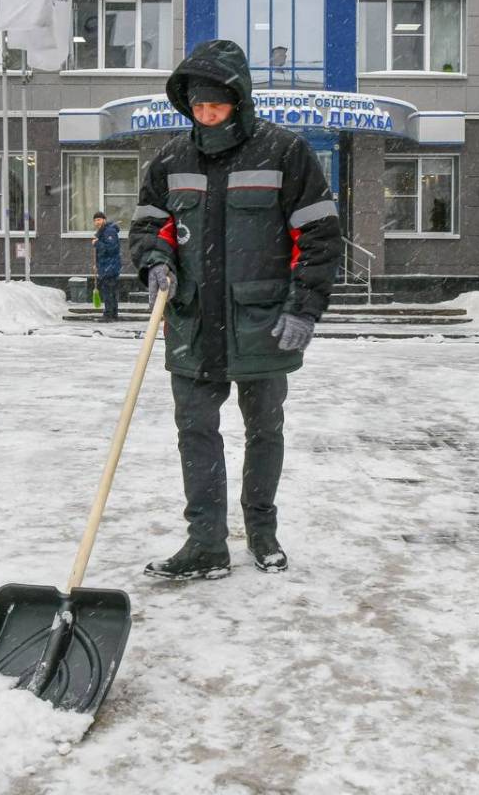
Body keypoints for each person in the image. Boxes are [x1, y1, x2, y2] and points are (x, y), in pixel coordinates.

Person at [129, 39, 342, 580]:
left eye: (215, 106)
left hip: (262, 322)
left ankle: (262, 531)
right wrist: (155, 260)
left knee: (265, 430)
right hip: (192, 321)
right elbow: (150, 225)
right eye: (197, 107)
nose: (206, 115)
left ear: (239, 101)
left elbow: (318, 236)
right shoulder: (172, 158)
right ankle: (205, 543)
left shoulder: (285, 152)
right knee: (195, 430)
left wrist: (305, 309)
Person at [92, 210, 121, 321]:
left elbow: (111, 248)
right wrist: (97, 265)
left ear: (104, 220)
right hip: (106, 266)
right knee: (111, 291)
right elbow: (103, 252)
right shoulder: (103, 232)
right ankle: (113, 314)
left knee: (108, 291)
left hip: (110, 266)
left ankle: (109, 314)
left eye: (99, 219)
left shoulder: (109, 232)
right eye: (95, 220)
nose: (97, 222)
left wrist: (97, 243)